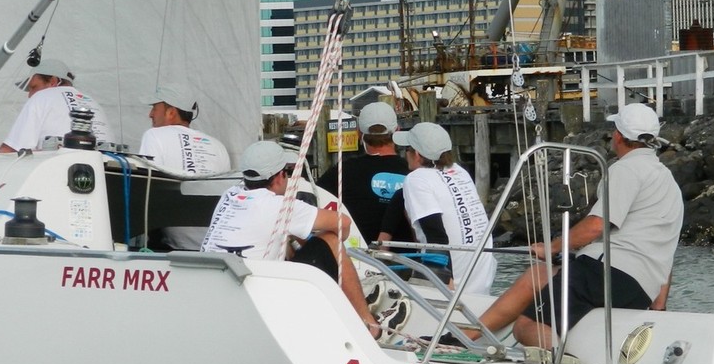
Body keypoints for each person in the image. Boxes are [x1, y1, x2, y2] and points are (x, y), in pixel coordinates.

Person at [465, 102, 683, 349]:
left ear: (618, 136)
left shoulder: (626, 170)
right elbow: (666, 255)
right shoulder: (668, 182)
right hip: (639, 290)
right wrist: (659, 307)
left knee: (525, 327)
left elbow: (596, 226)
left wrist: (553, 248)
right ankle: (466, 336)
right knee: (537, 276)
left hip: (607, 273)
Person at [201, 141, 408, 340]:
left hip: (221, 290)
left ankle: (348, 300)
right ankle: (370, 327)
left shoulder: (230, 195)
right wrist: (326, 246)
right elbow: (342, 224)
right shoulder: (280, 206)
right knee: (331, 240)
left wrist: (302, 238)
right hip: (257, 298)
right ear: (280, 176)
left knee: (291, 240)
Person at [392, 122, 497, 295]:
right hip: (481, 284)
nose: (405, 154)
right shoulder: (459, 171)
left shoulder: (416, 179)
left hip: (454, 288)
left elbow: (436, 235)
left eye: (407, 149)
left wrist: (445, 279)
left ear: (417, 154)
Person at [316, 102, 412, 243]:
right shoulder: (414, 173)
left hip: (358, 258)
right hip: (411, 260)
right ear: (397, 131)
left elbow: (314, 201)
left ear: (359, 134)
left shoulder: (342, 172)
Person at [0, 59, 113, 153]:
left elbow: (9, 151)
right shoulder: (93, 102)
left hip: (59, 171)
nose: (30, 95)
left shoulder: (42, 97)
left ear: (53, 81)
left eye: (33, 87)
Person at [139, 84, 230, 176]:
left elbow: (149, 180)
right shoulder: (218, 146)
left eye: (154, 108)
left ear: (171, 113)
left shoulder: (154, 135)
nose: (150, 114)